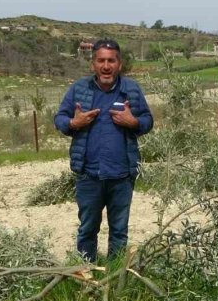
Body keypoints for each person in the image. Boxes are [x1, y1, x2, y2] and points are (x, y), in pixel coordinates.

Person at [54, 39, 153, 263]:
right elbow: (59, 119)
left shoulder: (131, 90)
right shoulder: (79, 89)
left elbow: (148, 120)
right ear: (93, 64)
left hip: (122, 176)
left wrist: (134, 122)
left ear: (119, 64)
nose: (106, 66)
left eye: (111, 60)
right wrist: (73, 123)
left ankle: (115, 277)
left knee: (119, 231)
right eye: (101, 60)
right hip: (89, 175)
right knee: (87, 230)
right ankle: (87, 275)